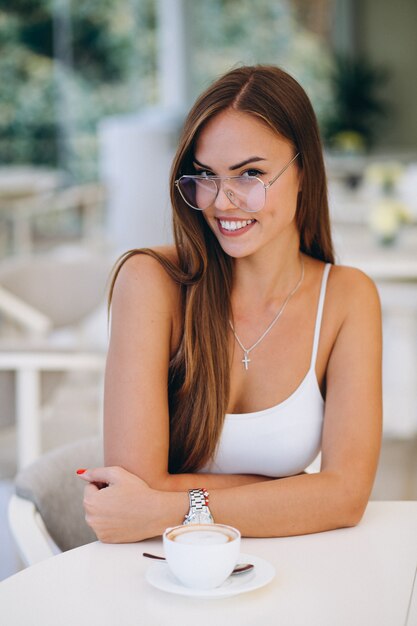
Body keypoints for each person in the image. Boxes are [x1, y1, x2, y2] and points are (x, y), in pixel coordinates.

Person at [78, 65, 382, 542]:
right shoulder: (151, 281)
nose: (223, 201)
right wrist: (297, 494)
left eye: (251, 174)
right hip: (161, 570)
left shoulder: (347, 298)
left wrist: (164, 507)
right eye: (205, 175)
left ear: (304, 172)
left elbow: (346, 499)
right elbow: (135, 487)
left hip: (291, 571)